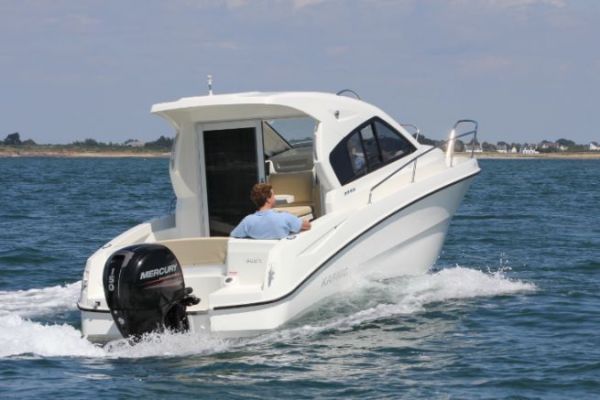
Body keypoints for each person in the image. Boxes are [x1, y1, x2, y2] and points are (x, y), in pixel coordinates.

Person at [230, 183, 311, 240]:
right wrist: (302, 221)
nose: (275, 198)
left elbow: (233, 237)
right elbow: (307, 226)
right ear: (268, 199)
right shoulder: (284, 217)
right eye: (273, 195)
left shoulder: (247, 221)